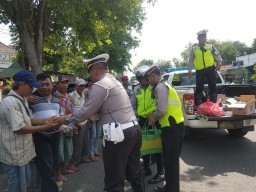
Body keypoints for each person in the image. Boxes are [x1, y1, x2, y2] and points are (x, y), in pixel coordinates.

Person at [58, 53, 145, 192]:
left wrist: (65, 118)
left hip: (118, 133)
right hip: (133, 129)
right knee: (134, 171)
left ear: (94, 71)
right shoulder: (115, 82)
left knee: (114, 178)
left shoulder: (101, 85)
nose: (91, 78)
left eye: (90, 74)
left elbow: (86, 111)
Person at [0, 70, 58, 192]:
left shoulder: (22, 99)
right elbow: (20, 129)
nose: (32, 89)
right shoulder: (10, 102)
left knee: (24, 183)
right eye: (30, 86)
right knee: (16, 185)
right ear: (21, 84)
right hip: (13, 153)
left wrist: (45, 120)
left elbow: (30, 119)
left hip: (23, 151)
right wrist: (45, 127)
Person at [143, 64, 185, 192]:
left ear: (153, 76)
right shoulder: (166, 85)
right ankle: (170, 187)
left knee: (170, 161)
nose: (148, 81)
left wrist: (152, 118)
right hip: (174, 125)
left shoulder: (160, 87)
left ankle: (171, 189)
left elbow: (161, 110)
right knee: (170, 161)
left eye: (148, 78)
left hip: (172, 127)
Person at [29, 73, 63, 192]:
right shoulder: (32, 99)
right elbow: (28, 120)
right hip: (40, 136)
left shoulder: (56, 100)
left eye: (47, 84)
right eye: (41, 84)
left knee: (53, 165)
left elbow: (61, 114)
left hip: (56, 135)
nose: (44, 87)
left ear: (52, 85)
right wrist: (26, 99)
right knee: (46, 167)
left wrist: (63, 124)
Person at [131, 65, 165, 184]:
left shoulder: (155, 87)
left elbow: (159, 104)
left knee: (156, 146)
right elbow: (133, 105)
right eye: (141, 78)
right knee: (143, 145)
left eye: (145, 77)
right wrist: (135, 116)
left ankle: (161, 172)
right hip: (142, 120)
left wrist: (154, 116)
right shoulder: (136, 89)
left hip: (154, 119)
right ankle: (147, 168)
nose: (144, 80)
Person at [188, 29, 222, 105]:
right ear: (198, 39)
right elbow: (190, 60)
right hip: (200, 70)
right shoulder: (194, 48)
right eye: (201, 38)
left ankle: (213, 104)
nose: (203, 39)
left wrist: (219, 63)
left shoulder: (211, 46)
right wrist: (189, 71)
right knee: (199, 88)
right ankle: (200, 105)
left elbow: (217, 55)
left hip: (210, 69)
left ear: (206, 38)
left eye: (204, 37)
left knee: (213, 87)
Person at [53, 75, 77, 182]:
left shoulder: (67, 96)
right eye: (62, 83)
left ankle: (63, 169)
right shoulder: (53, 96)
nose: (65, 85)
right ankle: (58, 173)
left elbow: (71, 111)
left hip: (69, 126)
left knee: (68, 150)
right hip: (59, 128)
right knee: (60, 152)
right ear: (57, 84)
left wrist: (74, 124)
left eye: (66, 83)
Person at [68, 79, 91, 166]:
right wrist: (75, 123)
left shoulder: (83, 95)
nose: (81, 87)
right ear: (76, 86)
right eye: (80, 86)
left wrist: (88, 118)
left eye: (83, 86)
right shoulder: (71, 96)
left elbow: (84, 107)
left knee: (85, 142)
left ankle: (82, 158)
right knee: (77, 144)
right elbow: (69, 110)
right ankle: (73, 163)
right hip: (76, 122)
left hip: (84, 121)